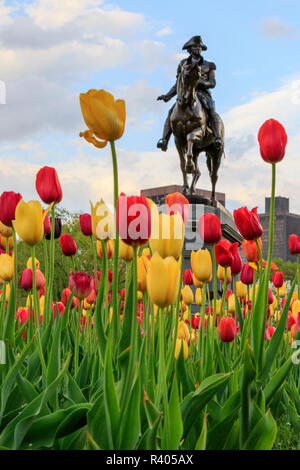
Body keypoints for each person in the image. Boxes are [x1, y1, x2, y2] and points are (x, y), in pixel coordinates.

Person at [157, 35, 222, 151]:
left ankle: (217, 137)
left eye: (200, 46)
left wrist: (200, 83)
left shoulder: (209, 65)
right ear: (189, 49)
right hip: (185, 93)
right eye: (195, 46)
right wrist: (168, 96)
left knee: (212, 109)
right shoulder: (183, 64)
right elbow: (178, 83)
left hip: (203, 94)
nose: (198, 48)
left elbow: (212, 83)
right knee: (171, 111)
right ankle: (164, 140)